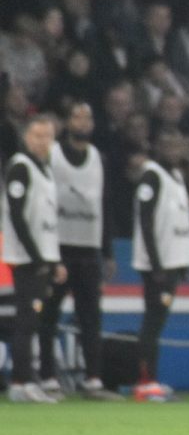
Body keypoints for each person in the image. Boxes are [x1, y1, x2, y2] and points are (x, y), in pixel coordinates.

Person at [40, 101, 123, 400]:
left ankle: (93, 379)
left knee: (91, 317)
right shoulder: (54, 155)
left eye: (88, 117)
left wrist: (108, 251)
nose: (83, 122)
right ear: (68, 122)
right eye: (77, 116)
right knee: (48, 315)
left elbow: (105, 205)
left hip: (88, 249)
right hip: (59, 247)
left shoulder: (99, 159)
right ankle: (47, 376)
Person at [131, 128, 189, 402]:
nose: (174, 151)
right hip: (157, 264)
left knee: (158, 322)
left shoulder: (178, 176)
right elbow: (145, 221)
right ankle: (145, 382)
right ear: (157, 148)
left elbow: (179, 222)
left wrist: (183, 261)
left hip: (172, 262)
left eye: (178, 145)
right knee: (152, 321)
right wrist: (156, 263)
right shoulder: (152, 176)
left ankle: (152, 379)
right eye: (168, 146)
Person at [3, 114, 65, 403]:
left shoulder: (45, 170)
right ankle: (20, 381)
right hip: (27, 258)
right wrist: (36, 255)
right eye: (38, 136)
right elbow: (16, 214)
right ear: (27, 137)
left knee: (34, 320)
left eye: (48, 137)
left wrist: (55, 260)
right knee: (26, 320)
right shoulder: (21, 167)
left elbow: (46, 221)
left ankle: (28, 378)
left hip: (43, 256)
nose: (43, 142)